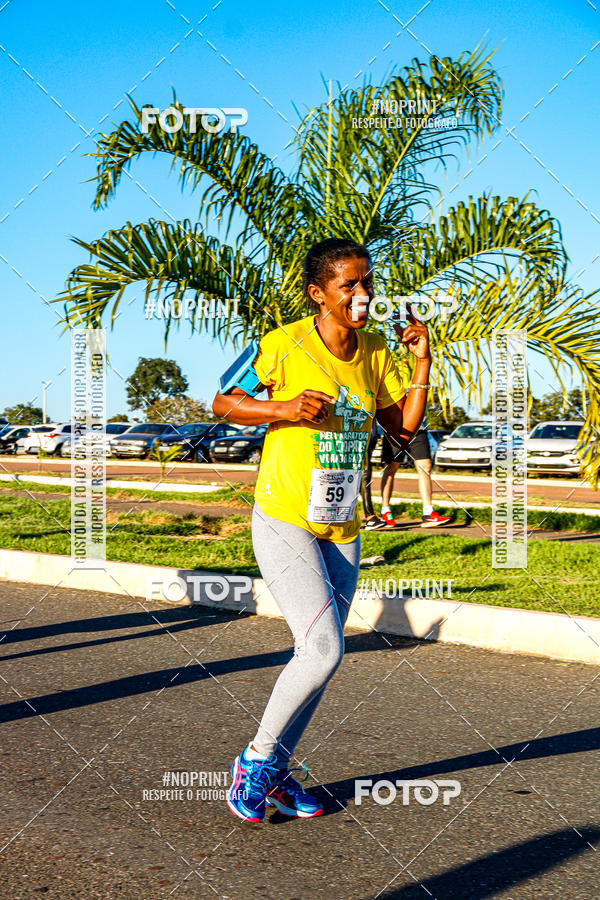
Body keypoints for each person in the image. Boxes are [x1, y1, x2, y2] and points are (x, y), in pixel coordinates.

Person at [212, 237, 431, 823]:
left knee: (322, 656)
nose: (362, 295)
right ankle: (255, 764)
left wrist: (421, 363)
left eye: (367, 283)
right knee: (322, 647)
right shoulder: (282, 344)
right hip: (283, 515)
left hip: (340, 522)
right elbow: (221, 401)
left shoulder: (376, 350)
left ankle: (277, 773)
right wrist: (281, 410)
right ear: (319, 293)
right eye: (348, 285)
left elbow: (402, 431)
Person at [379, 422, 451, 527]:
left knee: (425, 467)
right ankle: (385, 511)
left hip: (419, 429)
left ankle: (428, 513)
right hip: (394, 428)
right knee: (391, 468)